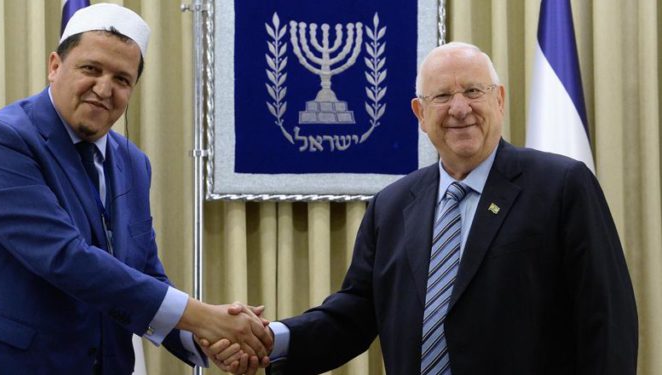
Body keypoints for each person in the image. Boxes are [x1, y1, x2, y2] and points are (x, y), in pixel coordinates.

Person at [205, 42, 639, 375]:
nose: (459, 108)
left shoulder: (562, 185)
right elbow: (352, 317)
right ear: (419, 112)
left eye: (473, 91)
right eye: (442, 96)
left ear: (500, 99)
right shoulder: (391, 206)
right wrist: (268, 340)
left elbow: (607, 320)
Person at [0, 4, 271, 374]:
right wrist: (201, 316)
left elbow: (143, 271)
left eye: (122, 79)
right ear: (55, 66)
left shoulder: (132, 163)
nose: (103, 89)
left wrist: (202, 338)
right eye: (91, 69)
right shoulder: (1, 139)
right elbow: (66, 258)